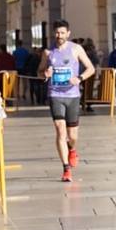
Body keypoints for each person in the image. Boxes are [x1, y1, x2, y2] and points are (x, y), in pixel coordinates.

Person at [46, 20, 95, 182]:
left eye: (62, 33)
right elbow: (39, 72)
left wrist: (79, 78)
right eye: (57, 33)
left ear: (68, 33)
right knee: (60, 131)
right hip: (55, 95)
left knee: (72, 136)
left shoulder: (76, 49)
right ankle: (66, 168)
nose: (59, 36)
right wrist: (44, 73)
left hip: (72, 96)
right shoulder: (48, 52)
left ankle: (71, 149)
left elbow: (91, 68)